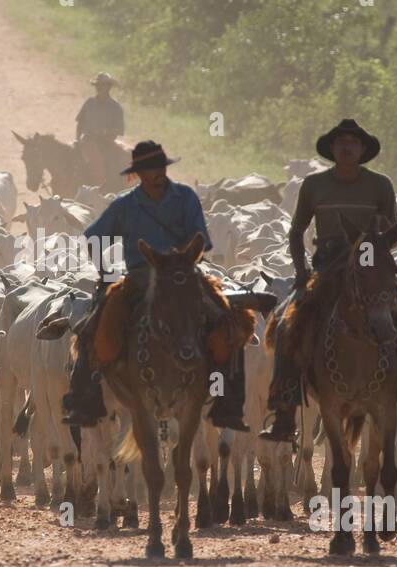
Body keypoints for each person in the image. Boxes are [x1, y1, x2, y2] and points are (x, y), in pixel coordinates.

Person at [260, 118, 397, 442]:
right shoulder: (313, 185)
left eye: (353, 142)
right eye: (341, 142)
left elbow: (390, 233)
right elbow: (296, 231)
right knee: (284, 325)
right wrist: (300, 271)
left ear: (363, 149)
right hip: (327, 266)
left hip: (371, 264)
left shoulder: (380, 185)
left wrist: (372, 239)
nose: (347, 147)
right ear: (332, 149)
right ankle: (284, 411)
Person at [60, 140, 259, 432]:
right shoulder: (124, 206)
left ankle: (227, 402)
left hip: (183, 275)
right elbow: (93, 237)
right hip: (140, 276)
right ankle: (84, 400)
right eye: (151, 168)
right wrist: (105, 273)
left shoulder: (186, 198)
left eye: (161, 167)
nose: (158, 173)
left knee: (230, 323)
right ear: (138, 173)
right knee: (92, 326)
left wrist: (182, 261)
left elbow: (200, 241)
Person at [75, 72, 125, 189]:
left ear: (108, 87)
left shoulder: (115, 107)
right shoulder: (89, 103)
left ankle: (98, 188)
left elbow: (119, 130)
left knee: (102, 163)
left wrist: (104, 133)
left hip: (106, 142)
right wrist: (77, 139)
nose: (99, 88)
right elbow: (80, 123)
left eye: (102, 85)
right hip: (87, 140)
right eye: (98, 86)